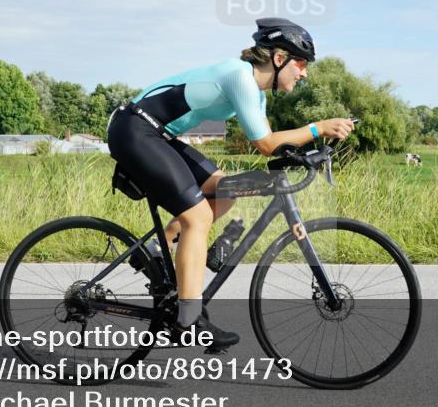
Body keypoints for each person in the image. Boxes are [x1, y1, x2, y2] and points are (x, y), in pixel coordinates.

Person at [106, 18, 355, 349]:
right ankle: (188, 321)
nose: (304, 73)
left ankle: (156, 248)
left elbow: (271, 143)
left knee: (226, 190)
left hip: (155, 134)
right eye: (301, 64)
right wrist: (317, 128)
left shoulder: (256, 94)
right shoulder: (240, 77)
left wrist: (305, 154)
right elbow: (266, 144)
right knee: (198, 217)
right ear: (279, 59)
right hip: (136, 130)